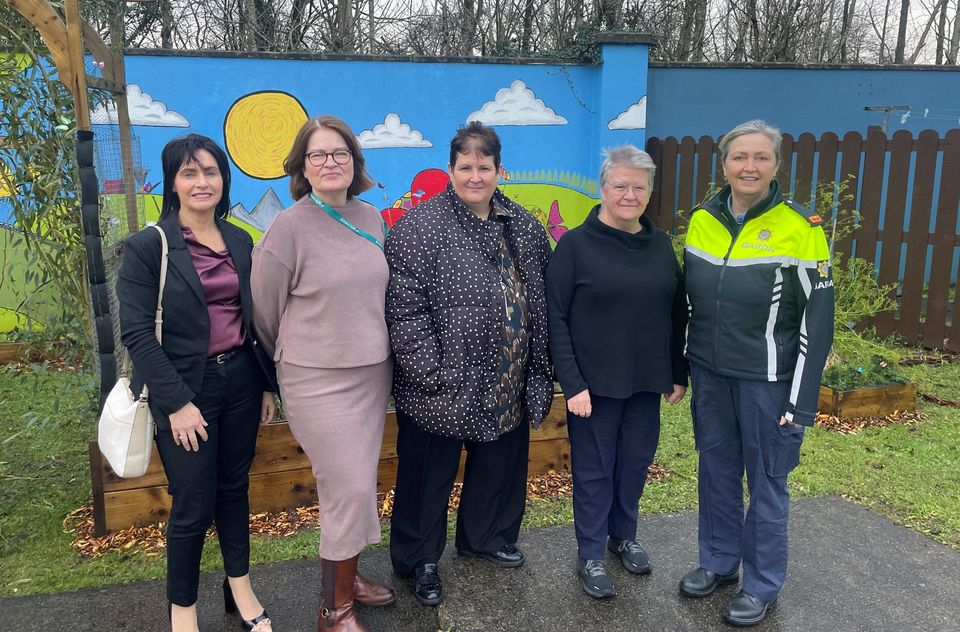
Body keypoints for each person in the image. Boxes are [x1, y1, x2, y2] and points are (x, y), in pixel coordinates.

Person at [384, 121, 553, 606]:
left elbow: (542, 294)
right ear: (450, 169)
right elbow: (403, 308)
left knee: (499, 465)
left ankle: (486, 537)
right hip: (440, 381)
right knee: (427, 475)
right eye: (465, 167)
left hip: (507, 376)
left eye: (484, 167)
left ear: (500, 171)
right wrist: (429, 372)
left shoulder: (522, 225)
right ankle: (420, 559)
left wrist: (538, 365)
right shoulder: (420, 227)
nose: (475, 176)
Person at [117, 134, 277, 632]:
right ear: (173, 183)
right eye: (189, 173)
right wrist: (177, 403)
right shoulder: (149, 247)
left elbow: (253, 319)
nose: (201, 182)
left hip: (243, 381)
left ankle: (240, 588)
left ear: (223, 179)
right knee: (192, 503)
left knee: (234, 490)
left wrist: (266, 385)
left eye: (210, 171)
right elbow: (137, 333)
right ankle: (183, 612)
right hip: (186, 388)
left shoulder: (240, 240)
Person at [679, 120, 834, 626]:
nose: (749, 166)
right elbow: (686, 301)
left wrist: (801, 402)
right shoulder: (703, 219)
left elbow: (818, 322)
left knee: (767, 483)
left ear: (776, 165)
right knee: (716, 471)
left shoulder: (801, 227)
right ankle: (719, 562)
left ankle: (761, 584)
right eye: (739, 157)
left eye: (760, 157)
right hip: (710, 376)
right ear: (724, 164)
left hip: (768, 382)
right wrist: (682, 364)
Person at [251, 115, 396, 632]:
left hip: (370, 374)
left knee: (356, 484)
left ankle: (347, 578)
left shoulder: (372, 217)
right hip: (315, 379)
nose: (330, 162)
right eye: (318, 155)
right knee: (347, 487)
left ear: (354, 162)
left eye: (340, 153)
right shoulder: (288, 228)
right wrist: (284, 366)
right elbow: (264, 312)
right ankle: (334, 611)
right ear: (302, 167)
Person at [546, 145, 687, 599]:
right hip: (593, 387)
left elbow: (677, 311)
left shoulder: (660, 245)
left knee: (634, 464)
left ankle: (622, 535)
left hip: (646, 381)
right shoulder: (575, 246)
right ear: (603, 188)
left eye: (639, 187)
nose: (630, 195)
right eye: (620, 185)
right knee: (594, 472)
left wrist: (678, 371)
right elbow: (555, 318)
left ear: (649, 192)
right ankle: (590, 552)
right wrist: (572, 383)